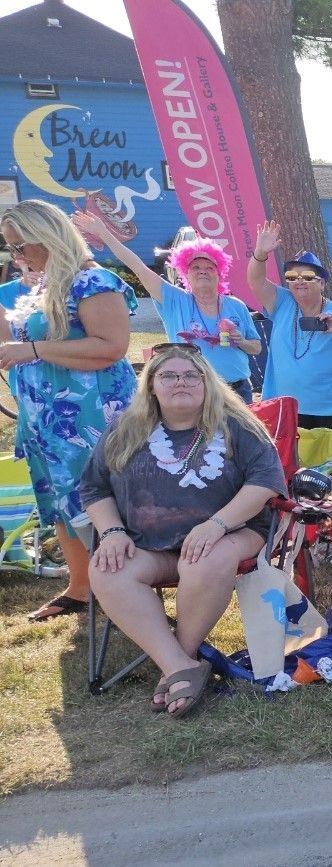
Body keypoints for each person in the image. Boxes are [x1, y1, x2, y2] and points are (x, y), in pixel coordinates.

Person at [81, 346, 287, 716]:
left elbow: (265, 483)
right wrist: (111, 532)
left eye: (192, 376)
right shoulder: (125, 429)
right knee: (106, 569)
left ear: (208, 383)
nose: (181, 383)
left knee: (206, 559)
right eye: (169, 376)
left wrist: (216, 525)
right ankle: (178, 665)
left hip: (231, 533)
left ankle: (183, 656)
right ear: (152, 387)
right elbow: (94, 488)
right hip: (148, 545)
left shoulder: (238, 426)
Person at [0, 200, 139, 622]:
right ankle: (81, 588)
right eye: (11, 249)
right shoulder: (37, 288)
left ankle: (126, 586)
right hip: (44, 417)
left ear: (50, 237)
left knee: (99, 500)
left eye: (21, 246)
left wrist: (33, 349)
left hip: (91, 417)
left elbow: (112, 347)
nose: (17, 257)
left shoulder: (93, 282)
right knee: (60, 500)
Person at [71, 213, 262, 404]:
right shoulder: (173, 299)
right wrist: (104, 234)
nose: (203, 270)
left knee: (238, 435)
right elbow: (137, 266)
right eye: (195, 267)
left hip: (237, 392)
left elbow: (256, 347)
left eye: (210, 267)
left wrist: (242, 341)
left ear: (219, 274)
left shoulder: (236, 305)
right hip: (192, 391)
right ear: (185, 275)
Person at [247, 222, 332, 446]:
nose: (299, 280)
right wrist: (261, 253)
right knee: (291, 471)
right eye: (292, 276)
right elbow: (256, 281)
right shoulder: (281, 302)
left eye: (308, 276)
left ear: (321, 283)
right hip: (287, 408)